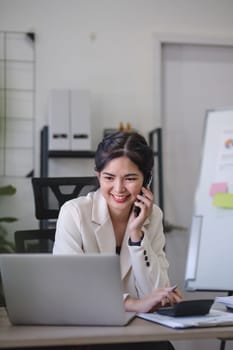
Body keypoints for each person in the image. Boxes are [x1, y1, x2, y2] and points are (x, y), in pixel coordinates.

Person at [53, 131, 182, 349]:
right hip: (86, 329)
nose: (119, 188)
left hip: (135, 330)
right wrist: (134, 303)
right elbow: (71, 289)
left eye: (130, 178)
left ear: (146, 180)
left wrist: (136, 234)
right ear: (98, 176)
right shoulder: (74, 212)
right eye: (109, 178)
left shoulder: (154, 215)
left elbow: (157, 292)